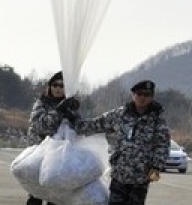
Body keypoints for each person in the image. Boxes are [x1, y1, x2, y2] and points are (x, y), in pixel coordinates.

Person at [73, 80, 171, 205]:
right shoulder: (120, 114)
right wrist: (73, 120)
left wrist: (156, 166)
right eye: (139, 94)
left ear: (151, 97)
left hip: (140, 177)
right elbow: (97, 124)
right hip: (120, 174)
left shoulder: (157, 120)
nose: (142, 98)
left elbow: (163, 144)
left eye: (146, 95)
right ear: (133, 95)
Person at [25, 71, 68, 205]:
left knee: (54, 198)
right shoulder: (41, 104)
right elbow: (42, 126)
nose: (58, 89)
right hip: (39, 155)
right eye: (55, 85)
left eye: (62, 86)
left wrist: (72, 114)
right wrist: (59, 110)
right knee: (35, 196)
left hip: (58, 158)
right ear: (49, 87)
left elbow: (75, 129)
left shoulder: (69, 106)